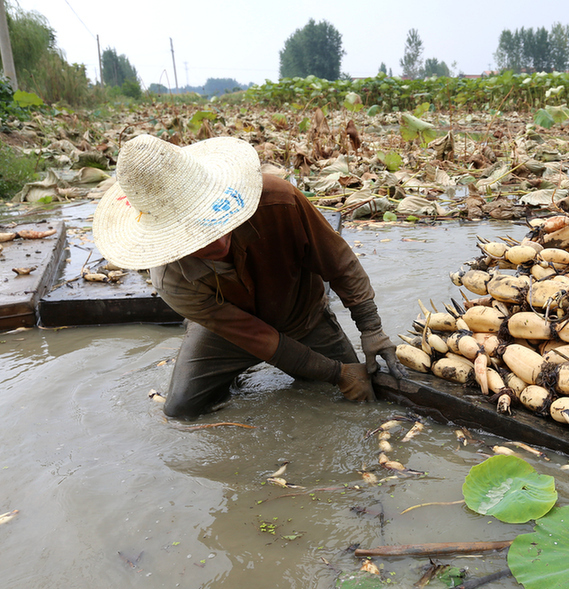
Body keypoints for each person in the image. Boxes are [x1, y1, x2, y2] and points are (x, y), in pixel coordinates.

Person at [93, 134, 405, 418]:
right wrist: (335, 372)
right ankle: (229, 376)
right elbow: (259, 339)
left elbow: (339, 262)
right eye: (195, 234)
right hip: (228, 334)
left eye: (213, 217)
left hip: (302, 314)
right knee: (180, 409)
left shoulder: (279, 200)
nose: (217, 240)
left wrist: (371, 327)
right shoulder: (172, 280)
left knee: (357, 392)